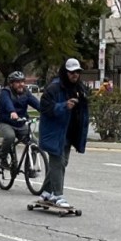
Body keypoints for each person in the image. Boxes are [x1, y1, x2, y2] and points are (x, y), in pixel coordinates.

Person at [37, 58, 90, 208]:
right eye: (71, 72)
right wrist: (64, 106)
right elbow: (46, 108)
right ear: (65, 72)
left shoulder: (79, 88)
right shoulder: (53, 88)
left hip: (68, 132)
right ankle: (58, 195)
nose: (75, 75)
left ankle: (47, 192)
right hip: (54, 132)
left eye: (77, 72)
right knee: (57, 163)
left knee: (61, 163)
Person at [0, 70, 41, 172]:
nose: (21, 84)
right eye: (18, 82)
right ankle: (2, 159)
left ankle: (30, 168)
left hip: (21, 124)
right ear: (11, 84)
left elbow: (36, 103)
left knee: (35, 143)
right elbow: (7, 103)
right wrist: (12, 112)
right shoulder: (5, 92)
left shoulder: (26, 93)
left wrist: (46, 112)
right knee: (10, 136)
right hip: (6, 123)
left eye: (22, 81)